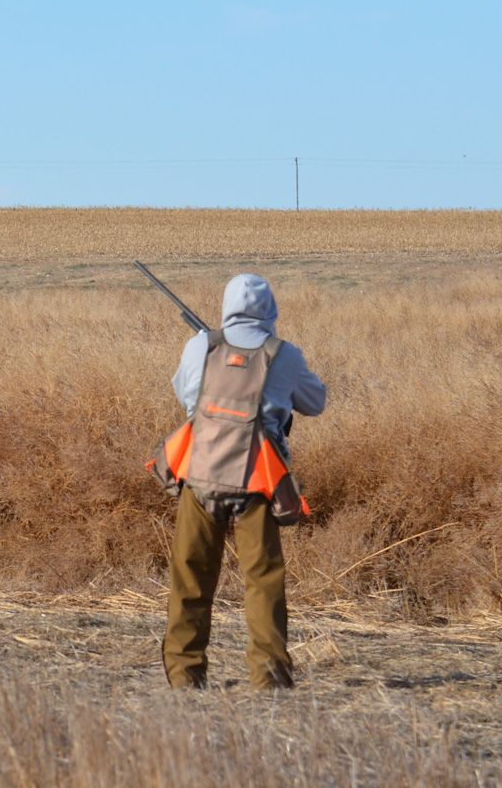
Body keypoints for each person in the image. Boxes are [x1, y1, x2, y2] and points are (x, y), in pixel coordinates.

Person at [161, 273, 326, 690]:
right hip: (258, 485)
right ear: (270, 309)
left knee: (190, 578)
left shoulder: (201, 346)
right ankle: (270, 681)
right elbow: (316, 403)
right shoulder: (284, 355)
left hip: (200, 478)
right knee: (263, 582)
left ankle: (184, 679)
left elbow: (185, 397)